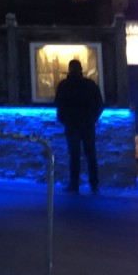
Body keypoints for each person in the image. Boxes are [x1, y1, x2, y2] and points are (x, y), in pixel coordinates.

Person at [54, 58, 104, 193]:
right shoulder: (90, 85)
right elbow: (99, 104)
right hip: (87, 124)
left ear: (69, 69)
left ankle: (74, 184)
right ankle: (94, 184)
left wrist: (63, 119)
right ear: (81, 69)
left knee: (74, 155)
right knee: (90, 154)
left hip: (72, 124)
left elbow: (59, 104)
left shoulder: (64, 85)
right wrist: (93, 118)